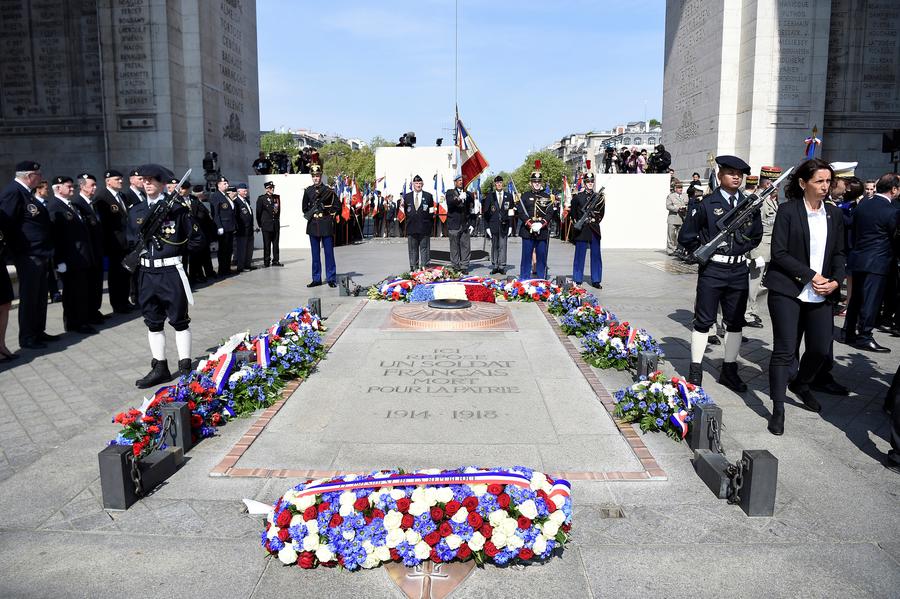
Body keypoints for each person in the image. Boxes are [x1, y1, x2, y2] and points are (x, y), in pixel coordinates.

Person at [762, 159, 845, 435]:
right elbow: (780, 253)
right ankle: (778, 408)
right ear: (803, 183)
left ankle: (802, 383)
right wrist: (812, 276)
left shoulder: (834, 215)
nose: (825, 187)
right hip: (788, 288)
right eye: (819, 181)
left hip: (823, 292)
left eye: (828, 181)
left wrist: (835, 281)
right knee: (785, 351)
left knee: (821, 348)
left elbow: (840, 254)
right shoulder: (788, 211)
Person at [677, 155, 763, 389]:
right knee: (703, 321)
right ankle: (695, 368)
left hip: (738, 269)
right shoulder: (706, 203)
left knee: (735, 322)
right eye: (730, 172)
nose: (736, 177)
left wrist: (739, 246)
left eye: (740, 174)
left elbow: (755, 236)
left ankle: (729, 369)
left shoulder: (749, 205)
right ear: (720, 175)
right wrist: (704, 253)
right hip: (713, 268)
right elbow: (686, 236)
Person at [128, 164, 204, 388]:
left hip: (170, 271)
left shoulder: (177, 209)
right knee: (153, 322)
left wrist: (177, 254)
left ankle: (185, 366)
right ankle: (160, 367)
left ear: (162, 184)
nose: (148, 183)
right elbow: (129, 240)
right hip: (146, 272)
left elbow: (197, 239)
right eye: (145, 180)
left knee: (179, 320)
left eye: (153, 180)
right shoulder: (136, 211)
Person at [0, 161, 61, 350]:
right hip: (28, 254)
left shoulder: (27, 193)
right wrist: (17, 248)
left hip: (40, 253)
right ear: (29, 176)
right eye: (38, 174)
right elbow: (6, 222)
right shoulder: (13, 192)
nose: (41, 178)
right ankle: (27, 337)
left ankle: (38, 331)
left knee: (41, 295)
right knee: (30, 296)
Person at [842, 173, 900, 352]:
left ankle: (849, 332)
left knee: (856, 299)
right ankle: (865, 336)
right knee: (871, 301)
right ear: (894, 189)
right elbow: (895, 238)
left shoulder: (863, 205)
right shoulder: (892, 211)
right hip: (878, 261)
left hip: (858, 258)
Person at [46, 175, 97, 335]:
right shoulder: (55, 207)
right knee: (72, 293)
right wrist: (58, 260)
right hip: (69, 259)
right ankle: (76, 323)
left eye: (72, 186)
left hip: (80, 258)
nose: (72, 189)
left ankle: (79, 321)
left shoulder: (70, 205)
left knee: (79, 291)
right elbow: (55, 237)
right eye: (68, 186)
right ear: (58, 188)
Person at [744, 167, 783, 328]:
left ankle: (752, 311)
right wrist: (753, 253)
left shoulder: (772, 199)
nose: (778, 188)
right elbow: (750, 228)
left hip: (768, 249)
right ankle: (747, 313)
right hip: (759, 249)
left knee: (760, 284)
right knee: (753, 284)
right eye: (776, 184)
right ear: (768, 183)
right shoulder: (758, 200)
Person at [94, 169, 135, 313]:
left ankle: (124, 301)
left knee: (124, 274)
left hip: (125, 243)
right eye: (117, 179)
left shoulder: (121, 196)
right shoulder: (102, 197)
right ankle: (117, 304)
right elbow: (104, 225)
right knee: (115, 276)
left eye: (121, 179)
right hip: (113, 245)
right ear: (108, 181)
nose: (121, 181)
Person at [72, 173, 105, 323]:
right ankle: (89, 313)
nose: (95, 187)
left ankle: (95, 310)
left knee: (97, 283)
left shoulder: (93, 202)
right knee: (88, 285)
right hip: (88, 252)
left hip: (97, 251)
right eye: (92, 185)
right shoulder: (77, 204)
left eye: (95, 184)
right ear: (82, 186)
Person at [517, 160, 558, 279]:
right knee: (526, 257)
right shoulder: (524, 196)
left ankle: (541, 279)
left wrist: (541, 224)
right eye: (534, 182)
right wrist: (530, 224)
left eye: (539, 182)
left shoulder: (547, 197)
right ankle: (524, 279)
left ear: (541, 183)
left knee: (541, 257)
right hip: (527, 231)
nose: (537, 184)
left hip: (542, 230)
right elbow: (520, 211)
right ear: (531, 183)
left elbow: (550, 212)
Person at [301, 164, 338, 287]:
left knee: (329, 254)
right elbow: (304, 208)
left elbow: (337, 206)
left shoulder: (328, 191)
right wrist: (313, 211)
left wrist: (327, 211)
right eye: (313, 176)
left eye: (317, 176)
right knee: (315, 255)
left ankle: (331, 278)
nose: (315, 178)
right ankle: (316, 279)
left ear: (321, 176)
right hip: (313, 225)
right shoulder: (308, 191)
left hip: (325, 224)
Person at [570, 169, 605, 288]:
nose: (590, 183)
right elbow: (573, 213)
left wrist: (595, 219)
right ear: (584, 183)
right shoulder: (578, 197)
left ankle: (596, 280)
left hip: (594, 228)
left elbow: (601, 213)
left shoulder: (599, 197)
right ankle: (577, 278)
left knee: (596, 255)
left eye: (592, 181)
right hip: (582, 229)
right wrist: (579, 223)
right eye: (588, 181)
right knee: (580, 255)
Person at [402, 174, 435, 271]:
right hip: (411, 227)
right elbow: (406, 211)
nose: (418, 185)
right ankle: (413, 268)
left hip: (424, 227)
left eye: (420, 183)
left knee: (424, 249)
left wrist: (428, 224)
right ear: (413, 184)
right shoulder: (407, 197)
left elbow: (431, 212)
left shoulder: (428, 196)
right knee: (412, 249)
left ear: (423, 184)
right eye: (416, 183)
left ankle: (425, 268)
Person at [483, 175, 513, 274]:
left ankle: (502, 265)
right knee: (494, 245)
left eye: (500, 182)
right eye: (497, 183)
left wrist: (511, 226)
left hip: (505, 224)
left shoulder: (508, 196)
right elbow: (486, 213)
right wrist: (487, 227)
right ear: (495, 184)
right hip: (493, 225)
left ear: (502, 183)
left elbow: (511, 212)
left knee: (503, 245)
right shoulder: (490, 196)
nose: (499, 184)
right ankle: (495, 265)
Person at [445, 174, 473, 273]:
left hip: (465, 224)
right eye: (459, 180)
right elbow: (450, 203)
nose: (461, 182)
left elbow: (471, 209)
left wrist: (472, 224)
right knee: (454, 247)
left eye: (462, 180)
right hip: (454, 224)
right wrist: (459, 198)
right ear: (455, 182)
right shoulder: (450, 192)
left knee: (465, 246)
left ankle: (464, 266)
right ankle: (455, 266)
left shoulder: (468, 194)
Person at [210, 176, 235, 276]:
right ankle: (222, 270)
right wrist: (219, 226)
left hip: (230, 226)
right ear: (218, 185)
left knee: (229, 249)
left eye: (227, 183)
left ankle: (227, 268)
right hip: (223, 227)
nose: (227, 185)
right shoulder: (216, 196)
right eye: (224, 184)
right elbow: (215, 213)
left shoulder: (226, 195)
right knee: (223, 249)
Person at [257, 181, 283, 267]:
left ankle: (276, 260)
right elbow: (258, 213)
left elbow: (278, 211)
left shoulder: (276, 197)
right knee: (267, 244)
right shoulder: (262, 199)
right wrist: (260, 224)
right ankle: (266, 261)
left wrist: (276, 221)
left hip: (275, 224)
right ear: (266, 189)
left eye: (273, 187)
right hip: (266, 225)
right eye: (271, 188)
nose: (272, 189)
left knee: (276, 244)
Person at [233, 183, 255, 272]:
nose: (246, 192)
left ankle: (247, 265)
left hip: (249, 229)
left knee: (249, 249)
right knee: (242, 250)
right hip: (242, 230)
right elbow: (236, 217)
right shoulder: (236, 202)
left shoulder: (246, 201)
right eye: (244, 191)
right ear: (239, 191)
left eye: (246, 190)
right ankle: (241, 267)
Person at [665, 181, 688, 256]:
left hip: (682, 218)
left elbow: (688, 204)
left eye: (681, 187)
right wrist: (677, 209)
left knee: (680, 235)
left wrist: (685, 208)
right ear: (675, 189)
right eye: (678, 188)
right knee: (671, 235)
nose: (680, 189)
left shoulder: (685, 195)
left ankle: (679, 249)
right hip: (673, 217)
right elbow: (668, 206)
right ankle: (670, 250)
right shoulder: (671, 196)